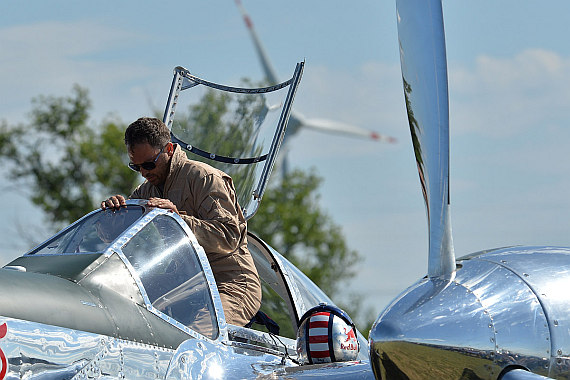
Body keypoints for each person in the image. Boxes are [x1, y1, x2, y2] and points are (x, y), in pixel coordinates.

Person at [101, 117, 262, 327]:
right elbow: (123, 237)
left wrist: (178, 219)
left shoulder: (205, 178)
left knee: (200, 337)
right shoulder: (147, 189)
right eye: (136, 166)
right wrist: (112, 219)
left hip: (230, 281)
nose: (144, 172)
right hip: (188, 281)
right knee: (117, 300)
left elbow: (229, 236)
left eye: (149, 164)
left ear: (168, 149)